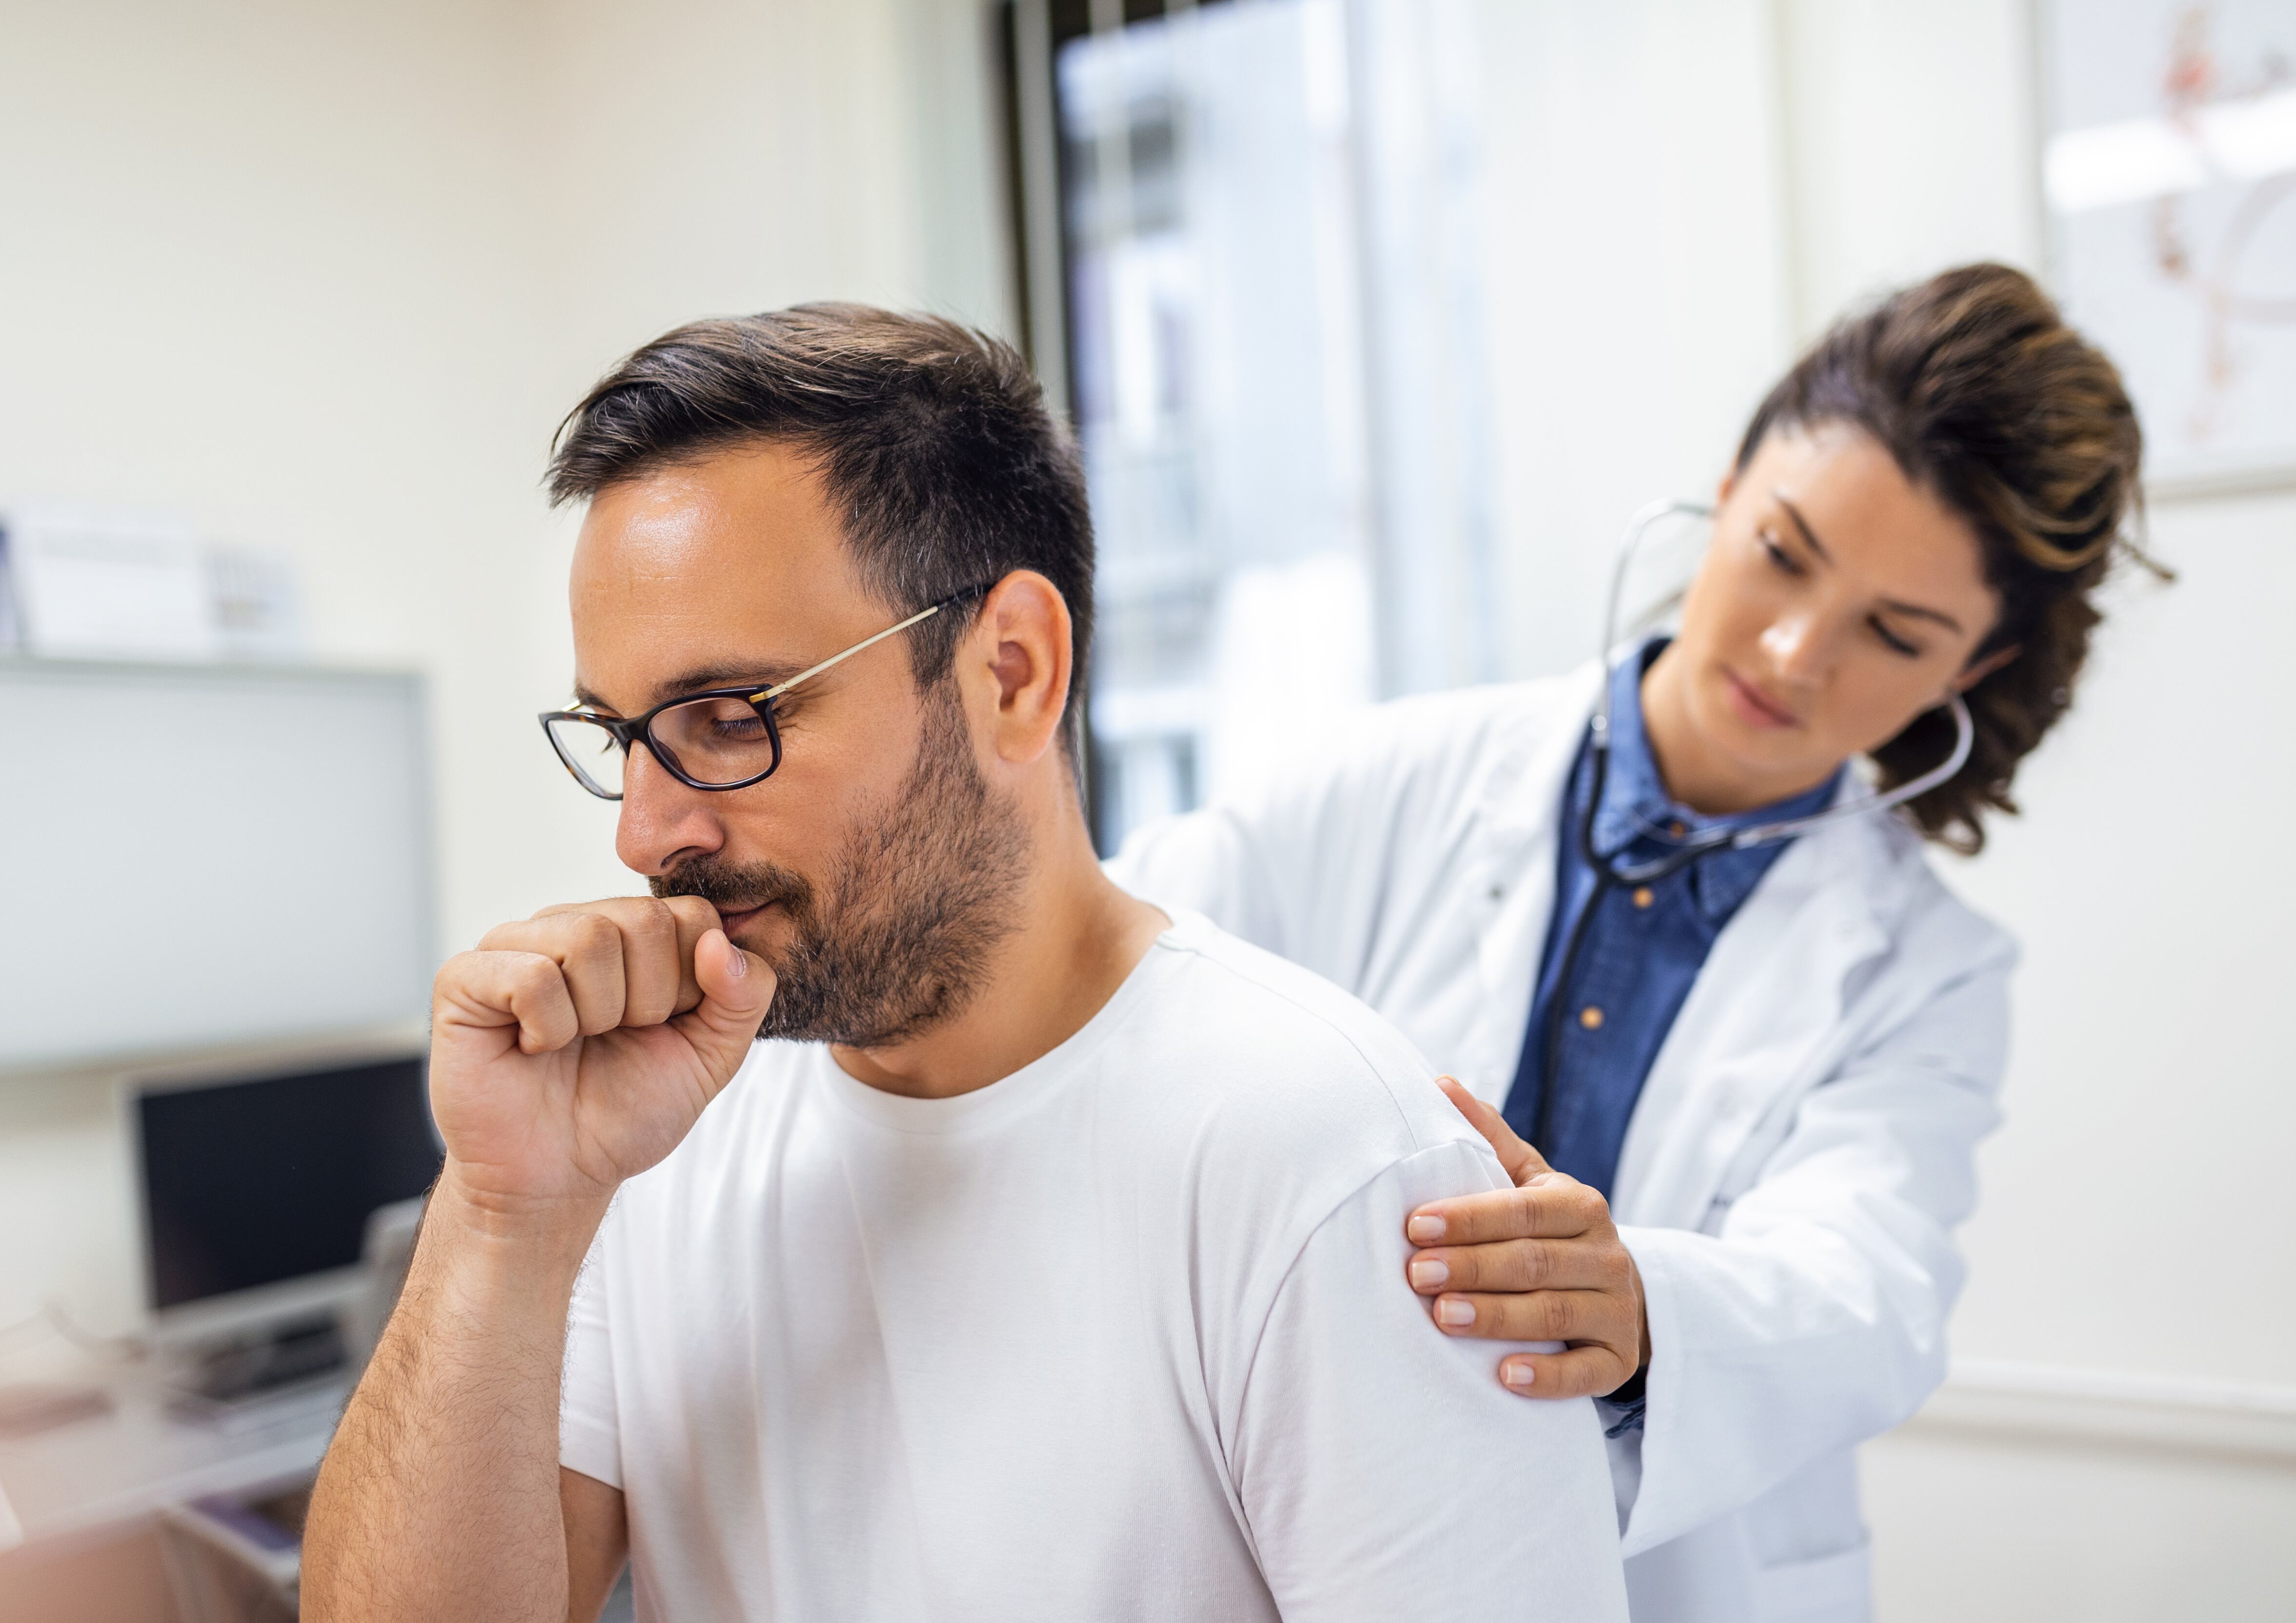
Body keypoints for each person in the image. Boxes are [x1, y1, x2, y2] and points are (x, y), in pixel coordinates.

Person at [299, 306, 1627, 1623]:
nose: (647, 832)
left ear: (1010, 673)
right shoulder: (651, 1132)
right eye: (624, 735)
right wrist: (503, 1213)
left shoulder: (1327, 1165)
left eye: (728, 718)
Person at [1109, 263, 2154, 1623]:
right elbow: (1112, 968)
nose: (1791, 652)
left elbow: (1869, 1285)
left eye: (1893, 633)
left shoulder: (1927, 972)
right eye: (1783, 552)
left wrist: (1644, 1304)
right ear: (1726, 495)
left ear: (1968, 673)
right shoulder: (1391, 778)